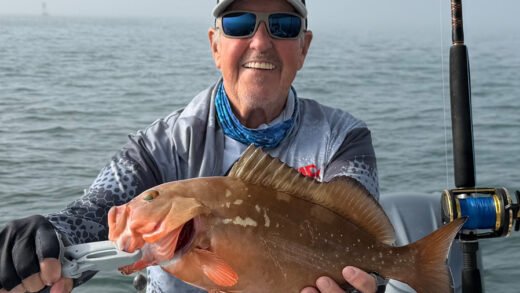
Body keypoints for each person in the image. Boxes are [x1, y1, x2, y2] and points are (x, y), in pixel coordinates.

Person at [0, 0, 385, 292]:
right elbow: (96, 213)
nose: (261, 42)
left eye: (283, 26)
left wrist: (367, 280)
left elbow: (361, 235)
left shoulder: (343, 138)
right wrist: (46, 239)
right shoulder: (160, 144)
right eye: (239, 24)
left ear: (304, 47)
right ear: (215, 45)